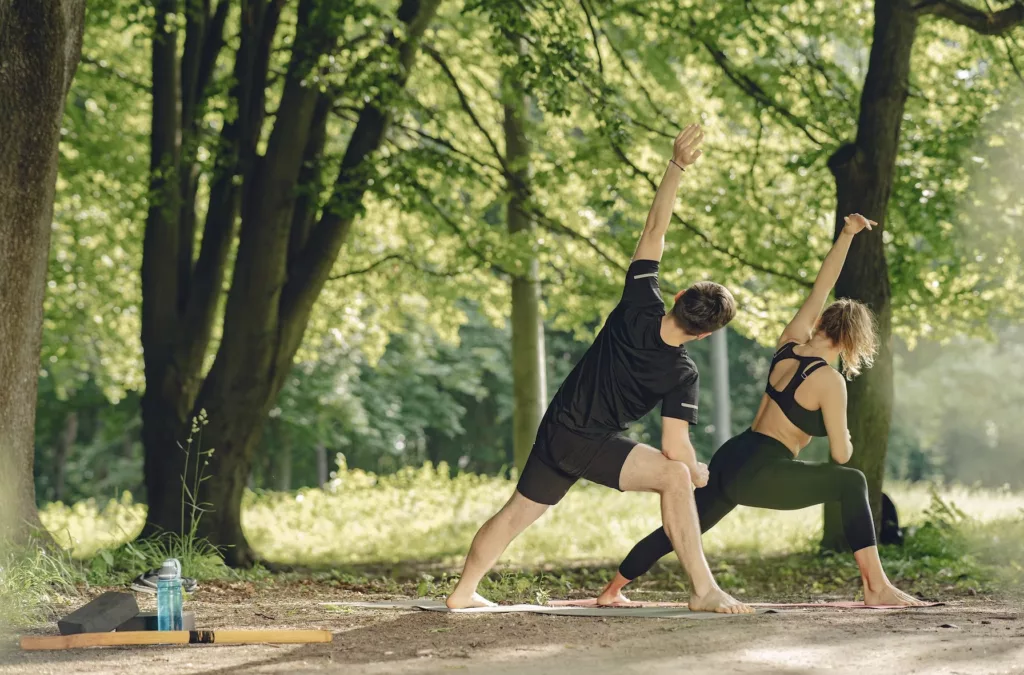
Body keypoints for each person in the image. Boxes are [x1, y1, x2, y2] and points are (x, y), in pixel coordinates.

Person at [445, 124, 752, 614]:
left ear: (677, 298)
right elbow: (675, 448)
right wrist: (696, 471)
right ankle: (703, 591)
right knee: (675, 477)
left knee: (516, 514)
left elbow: (655, 229)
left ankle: (463, 592)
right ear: (705, 334)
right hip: (589, 443)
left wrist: (676, 165)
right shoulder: (682, 372)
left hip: (557, 426)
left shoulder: (638, 301)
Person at [598, 213, 927, 608]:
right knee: (851, 480)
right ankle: (875, 587)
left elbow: (822, 285)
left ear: (821, 322)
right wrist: (846, 434)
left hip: (735, 454)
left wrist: (846, 234)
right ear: (854, 342)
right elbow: (840, 455)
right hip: (764, 469)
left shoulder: (791, 342)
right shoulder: (830, 381)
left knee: (682, 527)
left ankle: (612, 589)